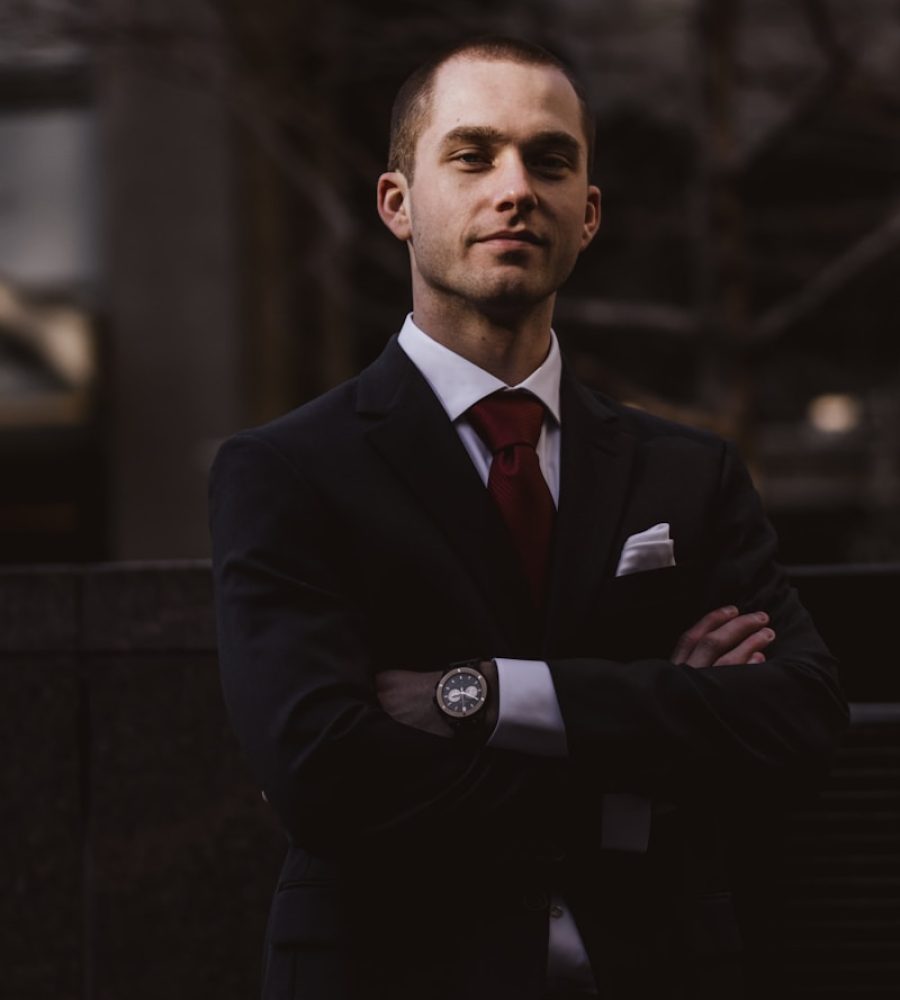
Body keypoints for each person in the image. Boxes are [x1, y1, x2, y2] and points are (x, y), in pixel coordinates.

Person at [209, 35, 848, 1000]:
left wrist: (485, 696)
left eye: (550, 161)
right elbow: (324, 779)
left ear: (587, 215)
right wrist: (643, 770)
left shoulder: (691, 471)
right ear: (398, 203)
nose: (516, 188)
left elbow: (798, 723)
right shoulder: (289, 471)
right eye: (473, 155)